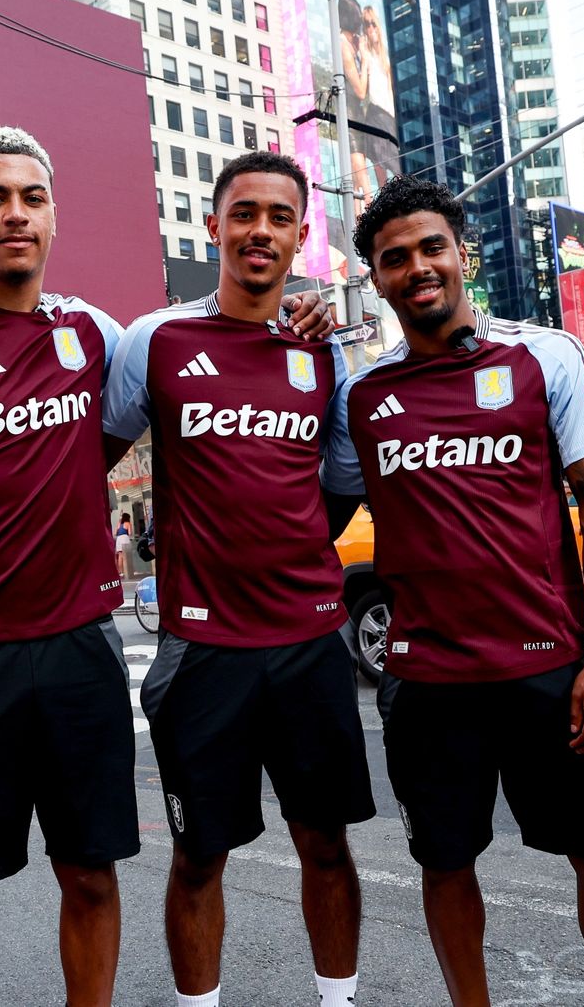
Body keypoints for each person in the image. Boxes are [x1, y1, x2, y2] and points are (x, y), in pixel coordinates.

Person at [0, 127, 331, 1007]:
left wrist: (305, 313)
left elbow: (217, 348)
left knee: (91, 877)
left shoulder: (98, 335)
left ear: (53, 216)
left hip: (82, 650)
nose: (14, 215)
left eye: (32, 199)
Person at [324, 177, 584, 1006]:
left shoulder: (545, 354)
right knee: (444, 862)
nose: (418, 268)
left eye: (432, 248)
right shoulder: (362, 396)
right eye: (394, 259)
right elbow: (316, 507)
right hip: (428, 682)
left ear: (461, 253)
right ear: (377, 279)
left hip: (549, 672)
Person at [103, 151, 374, 1007]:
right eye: (245, 213)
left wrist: (283, 553)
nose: (262, 230)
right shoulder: (157, 339)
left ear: (300, 236)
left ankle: (339, 1000)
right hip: (201, 646)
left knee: (325, 843)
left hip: (308, 641)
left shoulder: (325, 355)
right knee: (199, 852)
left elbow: (337, 489)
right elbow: (88, 462)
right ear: (213, 225)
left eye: (281, 217)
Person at [113, 512, 134, 580]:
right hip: (125, 538)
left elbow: (115, 533)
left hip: (119, 539)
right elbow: (130, 533)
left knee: (120, 556)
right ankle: (127, 571)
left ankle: (120, 572)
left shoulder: (119, 524)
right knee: (126, 556)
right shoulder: (128, 524)